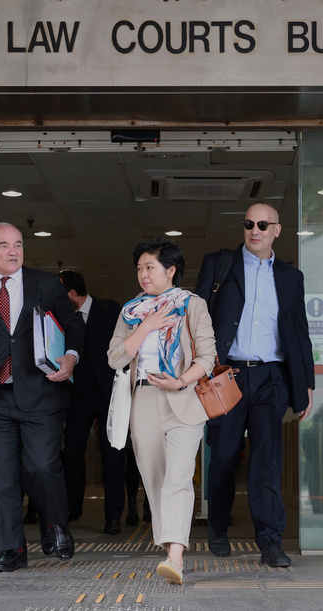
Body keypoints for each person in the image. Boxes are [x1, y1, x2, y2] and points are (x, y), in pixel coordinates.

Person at [194, 202, 315, 568]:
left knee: (267, 460)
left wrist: (305, 382)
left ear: (277, 230)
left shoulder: (291, 277)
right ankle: (217, 526)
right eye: (249, 223)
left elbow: (299, 332)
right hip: (227, 375)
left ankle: (270, 541)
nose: (255, 229)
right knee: (225, 456)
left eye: (263, 224)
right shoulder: (220, 264)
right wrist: (199, 369)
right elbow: (196, 319)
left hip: (271, 377)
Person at [0, 222, 84, 572]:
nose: (13, 251)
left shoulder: (45, 283)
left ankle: (54, 522)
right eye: (4, 245)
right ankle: (12, 547)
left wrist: (71, 356)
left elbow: (73, 325)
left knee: (42, 466)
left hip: (41, 392)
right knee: (0, 477)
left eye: (18, 244)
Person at [107, 239, 216, 585]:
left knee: (179, 478)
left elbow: (207, 358)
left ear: (171, 271)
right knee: (154, 479)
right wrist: (147, 326)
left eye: (149, 267)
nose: (143, 274)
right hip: (143, 401)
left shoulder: (192, 305)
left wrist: (181, 380)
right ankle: (171, 544)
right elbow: (115, 357)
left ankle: (175, 557)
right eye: (139, 268)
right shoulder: (131, 312)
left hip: (183, 398)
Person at [58, 269, 124, 534]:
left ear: (73, 294)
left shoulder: (109, 310)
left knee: (112, 455)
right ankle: (72, 508)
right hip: (76, 395)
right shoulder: (61, 317)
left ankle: (113, 517)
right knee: (72, 453)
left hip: (108, 394)